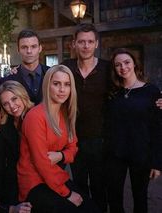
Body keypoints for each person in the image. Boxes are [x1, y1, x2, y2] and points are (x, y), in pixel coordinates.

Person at [17, 65, 100, 213]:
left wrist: (61, 155)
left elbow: (73, 147)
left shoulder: (66, 113)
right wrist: (67, 193)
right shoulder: (35, 117)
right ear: (47, 86)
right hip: (34, 182)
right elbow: (42, 163)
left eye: (67, 84)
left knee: (91, 208)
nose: (62, 89)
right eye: (56, 84)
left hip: (55, 175)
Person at [105, 48, 162, 213]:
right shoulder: (113, 92)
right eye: (118, 65)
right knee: (114, 198)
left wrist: (157, 163)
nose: (123, 67)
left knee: (140, 198)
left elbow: (158, 129)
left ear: (134, 64)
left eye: (126, 62)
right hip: (116, 154)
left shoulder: (151, 91)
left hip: (141, 154)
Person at [62, 23, 111, 212]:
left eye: (90, 41)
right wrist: (14, 72)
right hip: (74, 139)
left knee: (100, 185)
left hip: (101, 139)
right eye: (81, 42)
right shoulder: (67, 67)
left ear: (96, 44)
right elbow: (47, 79)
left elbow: (129, 86)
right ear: (74, 44)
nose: (86, 46)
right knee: (79, 185)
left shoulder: (107, 68)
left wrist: (152, 98)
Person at [0, 80, 34, 203]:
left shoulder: (35, 116)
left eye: (14, 99)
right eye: (6, 104)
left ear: (23, 95)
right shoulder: (5, 124)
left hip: (36, 176)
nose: (11, 106)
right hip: (14, 177)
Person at [0, 29, 49, 105]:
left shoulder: (52, 74)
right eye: (24, 47)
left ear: (40, 48)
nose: (29, 51)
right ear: (18, 50)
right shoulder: (8, 80)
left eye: (33, 46)